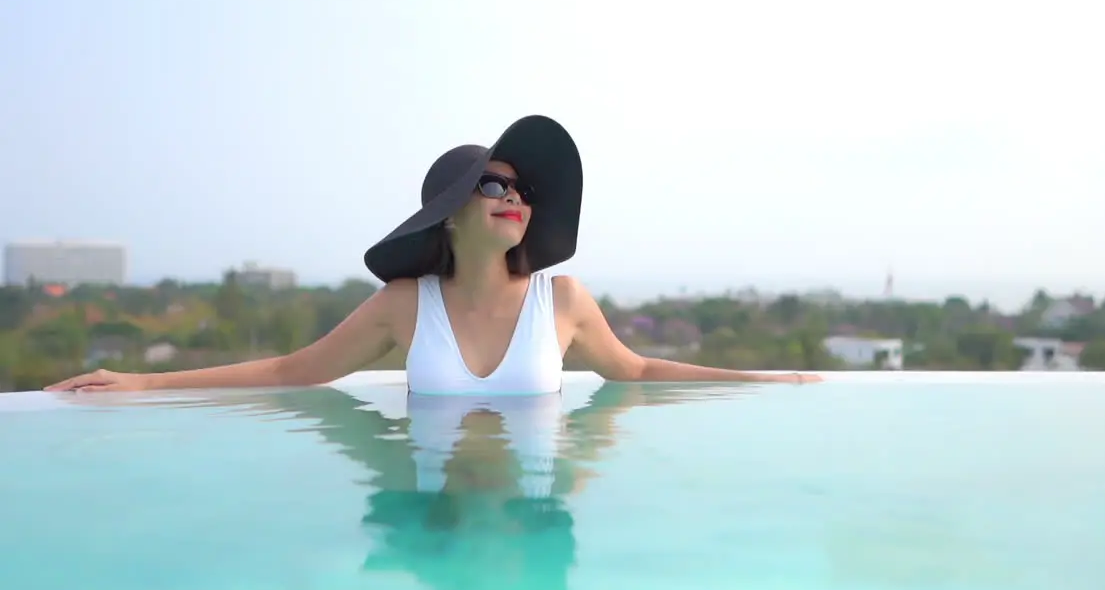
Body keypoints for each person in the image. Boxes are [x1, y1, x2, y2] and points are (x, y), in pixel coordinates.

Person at [45, 114, 821, 394]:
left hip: (534, 522)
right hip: (431, 521)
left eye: (520, 188)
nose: (513, 197)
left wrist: (761, 379)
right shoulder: (404, 307)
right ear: (450, 218)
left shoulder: (564, 303)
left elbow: (643, 371)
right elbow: (290, 371)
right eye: (492, 184)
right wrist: (143, 380)